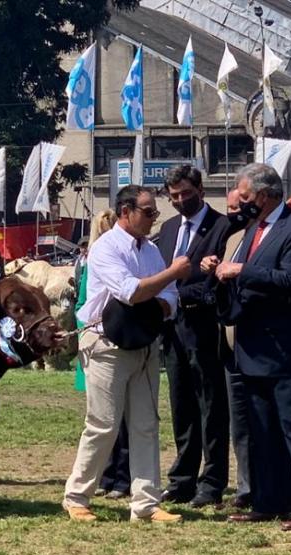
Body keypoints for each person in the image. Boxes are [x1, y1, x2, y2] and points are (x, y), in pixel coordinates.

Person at [207, 163, 291, 530]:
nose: (241, 204)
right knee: (261, 430)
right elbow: (242, 272)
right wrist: (219, 269)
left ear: (265, 195)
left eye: (246, 197)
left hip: (284, 348)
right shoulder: (254, 229)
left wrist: (241, 271)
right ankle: (270, 499)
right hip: (251, 348)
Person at [63, 185, 190, 523]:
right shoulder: (105, 249)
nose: (153, 218)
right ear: (125, 213)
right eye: (148, 212)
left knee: (146, 424)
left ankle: (146, 503)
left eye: (154, 212)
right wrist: (171, 274)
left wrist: (163, 297)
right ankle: (77, 497)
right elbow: (130, 292)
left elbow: (172, 297)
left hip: (145, 343)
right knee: (103, 424)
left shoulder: (149, 250)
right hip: (106, 344)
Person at [156, 165, 231, 508]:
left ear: (200, 189)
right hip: (173, 328)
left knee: (210, 406)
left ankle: (212, 480)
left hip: (205, 326)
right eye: (174, 196)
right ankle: (182, 478)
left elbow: (222, 279)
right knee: (181, 404)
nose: (181, 201)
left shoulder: (222, 226)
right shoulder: (168, 229)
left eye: (186, 193)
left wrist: (201, 285)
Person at [74, 208, 130, 499]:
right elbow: (83, 301)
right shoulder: (89, 261)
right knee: (101, 417)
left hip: (113, 338)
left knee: (115, 419)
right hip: (93, 339)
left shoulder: (118, 257)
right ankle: (107, 476)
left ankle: (121, 477)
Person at [205, 188, 254, 509]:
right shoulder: (233, 240)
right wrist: (215, 270)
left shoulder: (271, 236)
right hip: (230, 342)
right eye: (229, 208)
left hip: (261, 343)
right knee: (240, 424)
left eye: (238, 207)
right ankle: (246, 487)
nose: (232, 213)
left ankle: (271, 485)